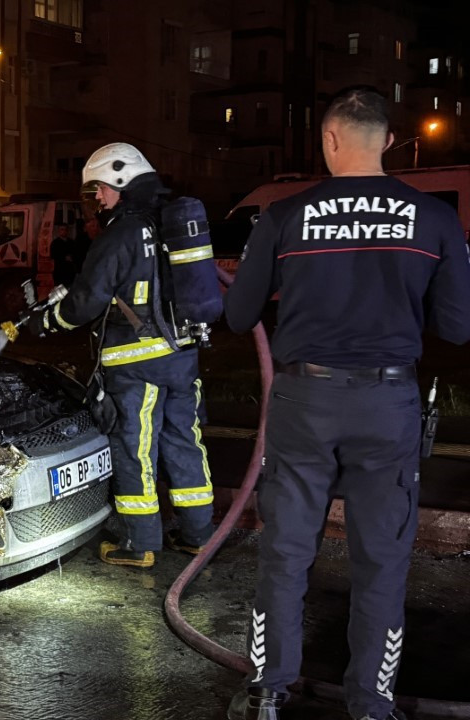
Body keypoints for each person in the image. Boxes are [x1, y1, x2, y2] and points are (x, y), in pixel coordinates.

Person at [223, 87, 470, 720]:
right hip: (388, 403)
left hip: (304, 398)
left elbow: (240, 313)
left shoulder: (283, 215)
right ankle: (371, 703)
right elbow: (459, 325)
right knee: (381, 557)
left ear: (328, 140)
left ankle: (267, 692)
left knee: (285, 550)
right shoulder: (434, 219)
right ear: (387, 142)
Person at [26, 142, 215, 568]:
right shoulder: (166, 223)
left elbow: (84, 304)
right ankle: (199, 535)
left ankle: (140, 542)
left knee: (134, 448)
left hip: (137, 366)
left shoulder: (122, 233)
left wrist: (45, 322)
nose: (97, 198)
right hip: (182, 358)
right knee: (184, 441)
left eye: (100, 189)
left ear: (122, 180)